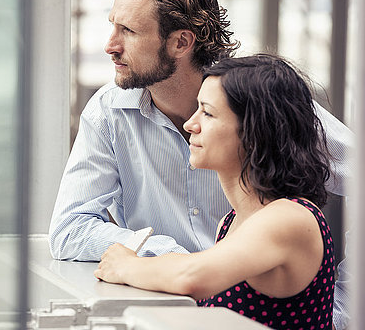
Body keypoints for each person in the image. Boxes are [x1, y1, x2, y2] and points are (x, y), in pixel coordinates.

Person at [48, 0, 352, 329]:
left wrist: (345, 307)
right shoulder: (232, 222)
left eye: (128, 30)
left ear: (181, 41)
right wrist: (164, 256)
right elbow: (70, 231)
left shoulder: (259, 104)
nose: (110, 45)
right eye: (113, 25)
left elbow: (193, 276)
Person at [94, 54, 335, 329]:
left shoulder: (289, 218)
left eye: (207, 113)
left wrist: (125, 265)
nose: (190, 125)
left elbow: (191, 276)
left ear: (254, 130)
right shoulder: (231, 222)